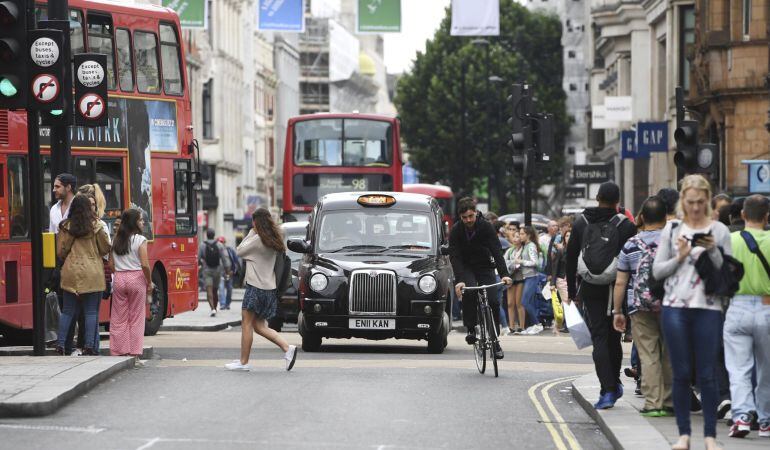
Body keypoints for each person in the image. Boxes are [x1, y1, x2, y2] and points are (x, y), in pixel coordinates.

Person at [652, 174, 732, 450]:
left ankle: (710, 436)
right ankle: (684, 436)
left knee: (708, 373)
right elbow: (657, 271)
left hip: (708, 308)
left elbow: (726, 273)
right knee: (682, 373)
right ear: (682, 202)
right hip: (675, 308)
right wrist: (681, 256)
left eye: (700, 202)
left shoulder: (719, 230)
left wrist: (713, 251)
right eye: (690, 202)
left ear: (707, 200)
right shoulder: (672, 230)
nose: (696, 207)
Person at [566, 182, 637, 409]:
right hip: (617, 287)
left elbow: (570, 258)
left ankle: (607, 390)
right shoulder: (626, 225)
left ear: (597, 197)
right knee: (614, 337)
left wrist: (571, 291)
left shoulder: (581, 222)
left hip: (590, 287)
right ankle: (613, 383)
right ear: (618, 201)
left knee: (599, 338)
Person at [613, 196, 673, 417]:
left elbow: (621, 281)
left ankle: (653, 402)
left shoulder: (631, 244)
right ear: (666, 217)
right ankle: (669, 400)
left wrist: (617, 311)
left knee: (648, 353)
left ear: (642, 218)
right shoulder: (675, 241)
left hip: (640, 305)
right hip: (670, 303)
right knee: (668, 351)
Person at [226, 208, 297, 372]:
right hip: (269, 290)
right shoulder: (274, 240)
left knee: (246, 324)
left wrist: (251, 232)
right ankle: (288, 348)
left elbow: (239, 250)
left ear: (256, 222)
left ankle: (243, 362)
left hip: (255, 288)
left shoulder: (257, 240)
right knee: (259, 326)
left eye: (253, 222)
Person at [724, 194, 770, 439]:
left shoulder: (730, 241)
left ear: (742, 215)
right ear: (767, 216)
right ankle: (766, 421)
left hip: (738, 308)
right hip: (768, 308)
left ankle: (741, 417)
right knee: (767, 369)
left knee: (739, 367)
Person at [450, 198, 512, 359]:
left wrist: (504, 274)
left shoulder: (486, 227)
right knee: (469, 292)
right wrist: (460, 280)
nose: (468, 220)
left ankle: (495, 340)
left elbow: (497, 251)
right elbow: (455, 256)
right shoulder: (456, 230)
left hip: (485, 265)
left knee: (493, 300)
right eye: (464, 218)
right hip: (466, 267)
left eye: (471, 216)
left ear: (476, 213)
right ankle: (471, 329)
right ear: (460, 217)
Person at [55, 195, 111, 356]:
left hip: (71, 271)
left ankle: (60, 344)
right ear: (89, 208)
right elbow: (105, 248)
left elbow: (61, 252)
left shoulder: (66, 226)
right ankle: (89, 345)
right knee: (91, 312)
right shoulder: (97, 226)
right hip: (92, 272)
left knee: (68, 310)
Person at [109, 209, 151, 357]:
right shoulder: (140, 240)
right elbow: (145, 264)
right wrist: (149, 282)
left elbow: (111, 264)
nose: (143, 222)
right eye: (140, 220)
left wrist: (120, 272)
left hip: (119, 278)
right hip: (137, 278)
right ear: (134, 222)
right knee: (136, 317)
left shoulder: (116, 239)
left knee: (118, 317)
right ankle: (134, 351)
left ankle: (119, 350)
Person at [198, 228, 231, 317]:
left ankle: (212, 308)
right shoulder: (220, 245)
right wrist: (227, 271)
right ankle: (215, 307)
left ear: (206, 235)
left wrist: (200, 265)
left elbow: (198, 258)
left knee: (209, 290)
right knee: (215, 290)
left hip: (207, 270)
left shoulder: (202, 245)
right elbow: (225, 259)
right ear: (214, 235)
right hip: (217, 270)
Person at [517, 226, 543, 331]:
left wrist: (521, 262)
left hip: (532, 277)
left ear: (528, 235)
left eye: (522, 234)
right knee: (528, 302)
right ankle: (535, 324)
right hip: (527, 277)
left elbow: (535, 262)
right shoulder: (526, 246)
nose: (520, 236)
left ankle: (537, 324)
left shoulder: (531, 246)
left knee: (524, 302)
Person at [504, 231, 525, 333]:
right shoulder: (509, 251)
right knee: (510, 303)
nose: (516, 239)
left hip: (520, 278)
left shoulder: (524, 250)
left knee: (519, 303)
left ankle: (521, 326)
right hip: (511, 278)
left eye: (518, 236)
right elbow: (504, 262)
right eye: (514, 237)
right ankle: (511, 326)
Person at [218, 237, 240, 310]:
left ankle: (227, 303)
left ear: (224, 242)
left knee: (229, 288)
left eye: (222, 242)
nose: (221, 244)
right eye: (219, 242)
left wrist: (233, 271)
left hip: (229, 272)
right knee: (221, 288)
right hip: (220, 272)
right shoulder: (216, 250)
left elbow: (235, 261)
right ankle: (222, 304)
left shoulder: (230, 250)